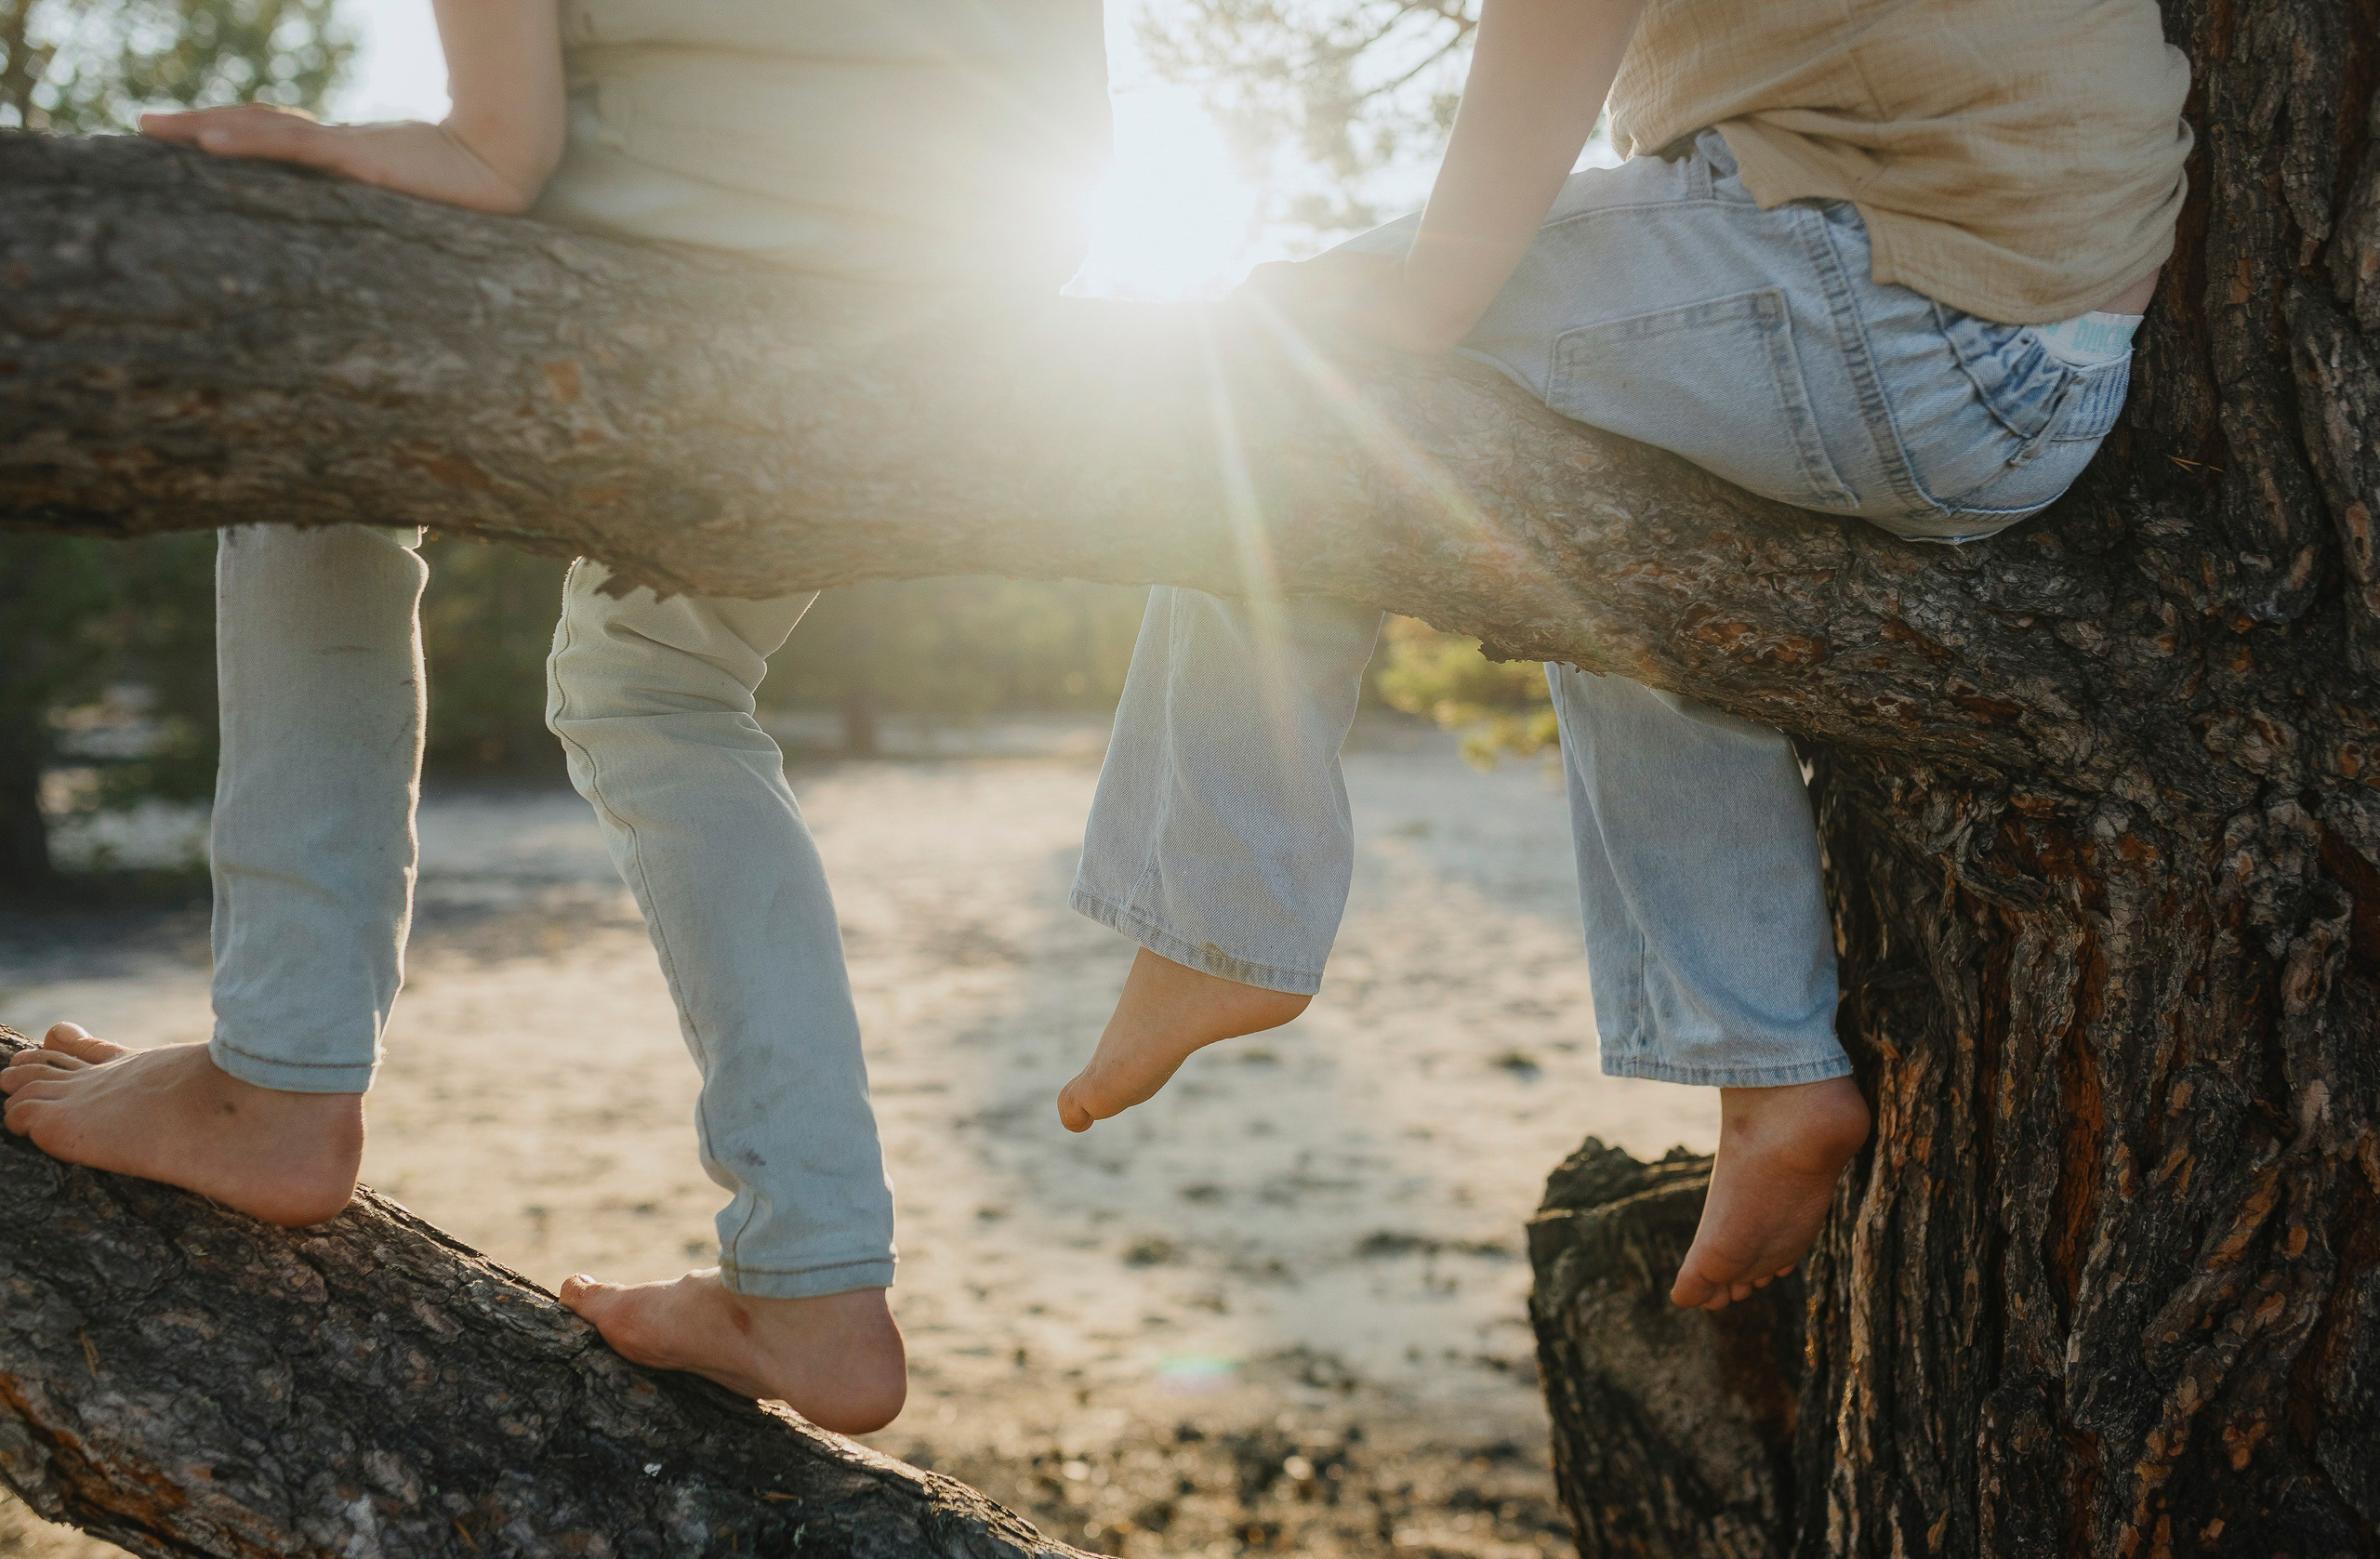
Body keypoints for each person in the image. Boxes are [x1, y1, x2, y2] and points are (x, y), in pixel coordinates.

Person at [1, 0, 1109, 1431]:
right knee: (662, 685)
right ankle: (816, 1278)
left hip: (710, 211)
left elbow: (499, 153)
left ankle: (277, 1073)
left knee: (308, 385)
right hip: (971, 280)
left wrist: (378, 152)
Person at [1054, 0, 2188, 1312]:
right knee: (1592, 538)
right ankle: (1767, 1071)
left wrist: (1429, 294)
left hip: (1890, 288)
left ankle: (1214, 915)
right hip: (2044, 363)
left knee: (1271, 357)